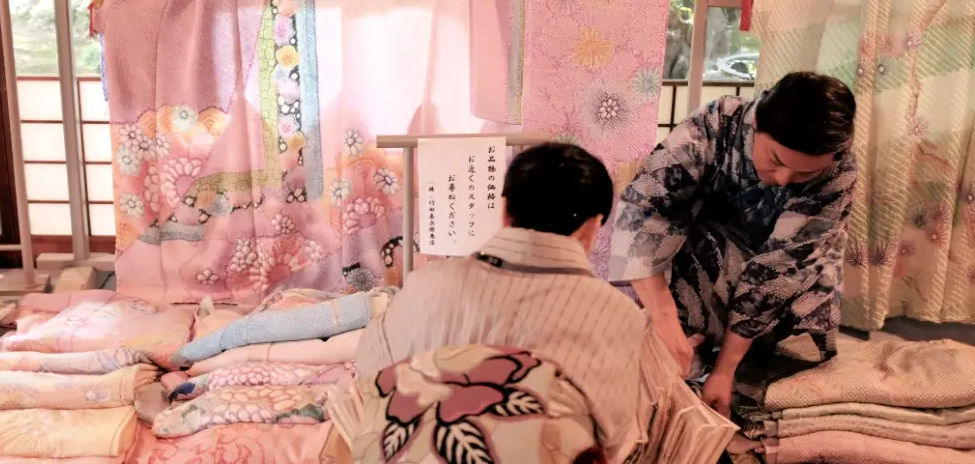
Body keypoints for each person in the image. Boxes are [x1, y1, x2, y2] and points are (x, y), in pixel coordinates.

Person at [356, 142, 649, 461]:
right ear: (593, 226)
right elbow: (614, 436)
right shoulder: (618, 314)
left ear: (505, 211)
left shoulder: (425, 283)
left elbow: (370, 378)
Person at [611, 71, 857, 418]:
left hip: (791, 266)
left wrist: (726, 369)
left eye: (804, 175)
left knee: (787, 370)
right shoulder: (713, 125)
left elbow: (781, 267)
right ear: (757, 122)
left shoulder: (839, 169)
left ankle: (740, 379)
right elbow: (647, 211)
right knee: (671, 358)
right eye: (776, 161)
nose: (784, 180)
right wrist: (664, 320)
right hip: (711, 246)